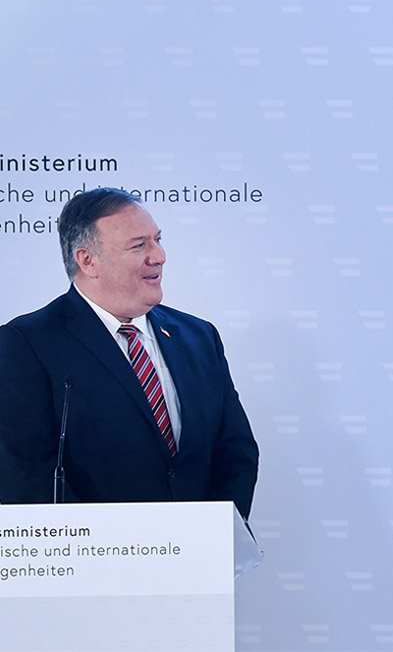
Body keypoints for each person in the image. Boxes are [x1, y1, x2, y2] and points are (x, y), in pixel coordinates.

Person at [0, 188, 258, 519]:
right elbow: (25, 471)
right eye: (139, 245)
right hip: (92, 548)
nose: (159, 256)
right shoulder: (26, 343)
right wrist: (107, 544)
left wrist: (215, 533)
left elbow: (236, 451)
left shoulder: (198, 336)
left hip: (199, 546)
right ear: (88, 260)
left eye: (157, 240)